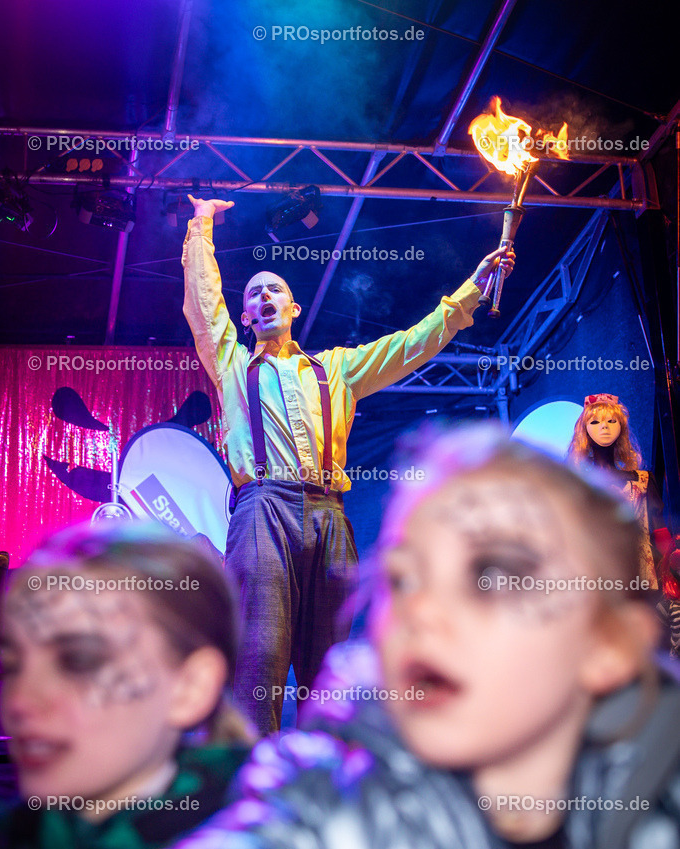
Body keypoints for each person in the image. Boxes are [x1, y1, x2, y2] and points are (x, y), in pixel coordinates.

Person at [104, 424, 680, 849]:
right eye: (402, 578)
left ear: (609, 645)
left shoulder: (661, 787)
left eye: (492, 574)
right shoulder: (330, 781)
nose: (421, 610)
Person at [181, 193, 516, 732]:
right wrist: (201, 226)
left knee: (330, 665)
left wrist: (472, 289)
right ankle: (254, 791)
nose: (265, 296)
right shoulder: (231, 362)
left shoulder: (338, 369)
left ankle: (324, 784)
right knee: (259, 656)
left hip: (329, 513)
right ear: (245, 317)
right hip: (263, 509)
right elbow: (203, 302)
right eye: (254, 293)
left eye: (276, 290)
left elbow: (413, 344)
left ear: (292, 308)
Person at [0, 522, 255, 849]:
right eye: (10, 666)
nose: (22, 702)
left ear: (189, 687)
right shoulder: (17, 848)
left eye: (79, 661)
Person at [567, 393, 663, 589]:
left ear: (621, 427)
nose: (604, 427)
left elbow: (659, 530)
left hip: (640, 574)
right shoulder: (576, 483)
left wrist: (672, 563)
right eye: (595, 422)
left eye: (612, 421)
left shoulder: (643, 480)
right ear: (584, 430)